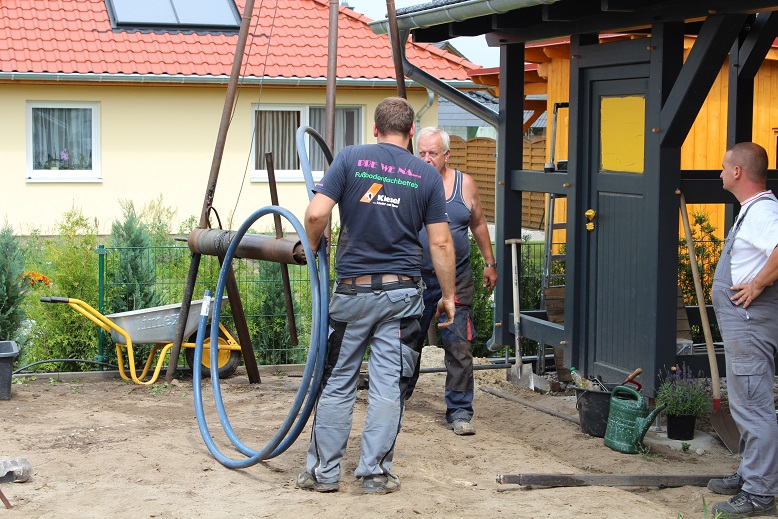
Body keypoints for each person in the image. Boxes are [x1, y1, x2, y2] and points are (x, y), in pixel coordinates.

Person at [297, 97, 457, 495]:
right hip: (401, 299)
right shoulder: (426, 175)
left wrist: (311, 247)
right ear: (410, 133)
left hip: (352, 294)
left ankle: (323, 474)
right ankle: (375, 475)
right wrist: (449, 295)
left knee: (338, 383)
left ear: (375, 128)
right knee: (388, 386)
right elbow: (441, 244)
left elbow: (316, 214)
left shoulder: (350, 158)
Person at [406, 127, 498, 436]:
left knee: (459, 345)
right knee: (407, 341)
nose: (426, 158)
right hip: (415, 278)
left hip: (456, 278)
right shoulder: (407, 184)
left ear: (447, 155)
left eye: (432, 153)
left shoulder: (464, 184)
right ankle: (396, 398)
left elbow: (479, 222)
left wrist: (489, 263)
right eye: (421, 153)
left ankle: (459, 411)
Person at [707, 142, 778, 517]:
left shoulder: (764, 211)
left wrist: (758, 284)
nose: (720, 173)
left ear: (737, 172)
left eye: (723, 167)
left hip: (750, 325)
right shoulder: (753, 209)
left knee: (754, 405)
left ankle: (760, 493)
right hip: (744, 326)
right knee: (746, 403)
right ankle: (752, 473)